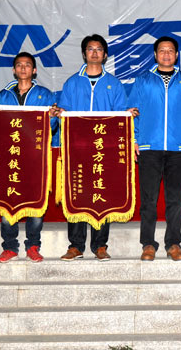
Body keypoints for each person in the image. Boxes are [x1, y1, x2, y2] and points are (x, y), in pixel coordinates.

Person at [54, 35, 133, 262]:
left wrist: (127, 116)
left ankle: (100, 245)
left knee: (101, 195)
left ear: (105, 55)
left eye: (99, 49)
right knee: (77, 192)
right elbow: (63, 114)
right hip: (77, 149)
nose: (95, 53)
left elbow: (119, 115)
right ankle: (75, 246)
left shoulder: (114, 84)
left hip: (103, 150)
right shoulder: (72, 83)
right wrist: (59, 114)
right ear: (84, 54)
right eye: (90, 49)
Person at [129, 36, 181, 261]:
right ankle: (148, 244)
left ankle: (173, 244)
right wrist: (134, 140)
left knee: (175, 200)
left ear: (176, 55)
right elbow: (133, 113)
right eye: (162, 50)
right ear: (155, 54)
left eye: (170, 51)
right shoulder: (143, 81)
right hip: (149, 147)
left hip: (177, 148)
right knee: (148, 200)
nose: (166, 54)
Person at [0, 52, 57, 263]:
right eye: (19, 65)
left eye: (27, 65)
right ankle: (10, 247)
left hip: (35, 157)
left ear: (34, 70)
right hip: (10, 156)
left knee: (35, 202)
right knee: (7, 201)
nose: (23, 68)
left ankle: (33, 246)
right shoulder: (3, 96)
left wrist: (53, 118)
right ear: (13, 70)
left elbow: (51, 127)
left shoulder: (45, 95)